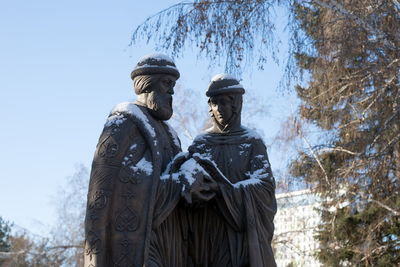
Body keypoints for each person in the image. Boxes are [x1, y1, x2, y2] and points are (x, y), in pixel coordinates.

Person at [84, 53, 187, 267]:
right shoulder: (122, 124)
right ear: (147, 85)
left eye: (173, 85)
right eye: (167, 83)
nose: (172, 91)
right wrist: (176, 184)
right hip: (137, 245)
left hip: (171, 243)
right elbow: (102, 192)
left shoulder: (172, 136)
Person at [181, 74, 277, 266]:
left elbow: (264, 188)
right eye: (214, 103)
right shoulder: (201, 144)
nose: (218, 108)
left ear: (236, 105)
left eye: (223, 102)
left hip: (239, 237)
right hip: (206, 231)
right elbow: (187, 181)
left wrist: (225, 190)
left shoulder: (251, 142)